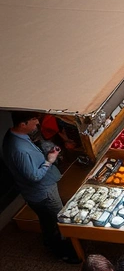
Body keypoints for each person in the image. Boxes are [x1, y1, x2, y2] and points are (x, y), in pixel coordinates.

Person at [3, 112, 78, 263]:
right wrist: (49, 161)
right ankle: (65, 252)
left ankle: (51, 242)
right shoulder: (19, 149)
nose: (37, 123)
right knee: (59, 219)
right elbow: (34, 176)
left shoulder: (14, 136)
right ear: (23, 124)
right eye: (34, 120)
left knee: (47, 221)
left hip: (38, 192)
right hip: (43, 193)